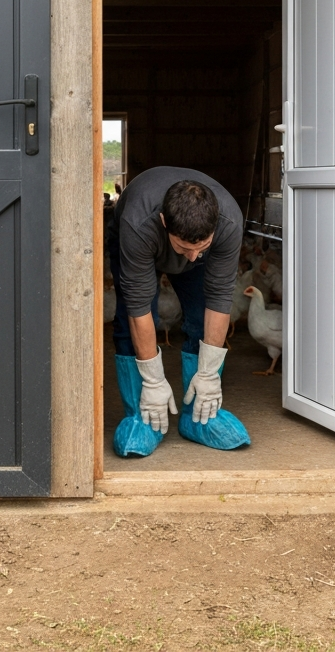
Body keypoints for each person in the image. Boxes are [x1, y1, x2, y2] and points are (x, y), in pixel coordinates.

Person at [107, 167, 250, 457]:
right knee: (126, 323)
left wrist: (209, 374)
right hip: (140, 241)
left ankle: (199, 418)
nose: (193, 256)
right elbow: (139, 308)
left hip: (183, 238)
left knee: (200, 317)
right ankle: (143, 416)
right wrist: (154, 380)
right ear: (164, 222)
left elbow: (220, 299)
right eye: (185, 248)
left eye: (202, 247)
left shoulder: (229, 222)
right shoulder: (140, 223)